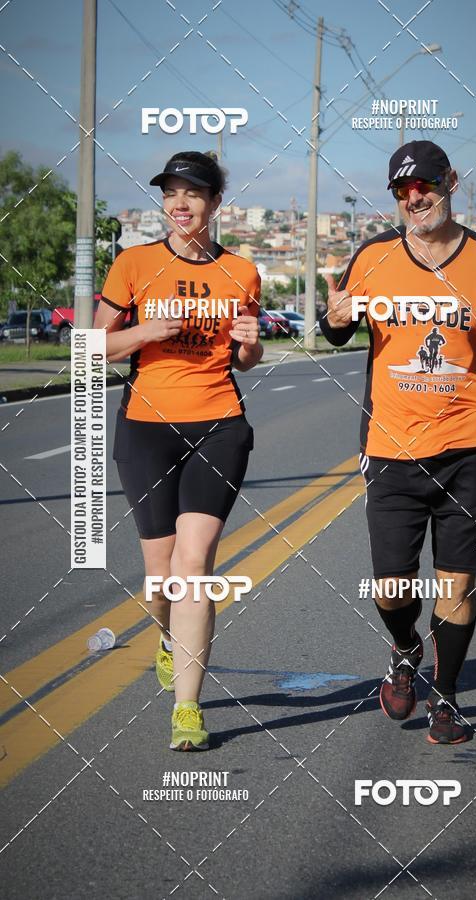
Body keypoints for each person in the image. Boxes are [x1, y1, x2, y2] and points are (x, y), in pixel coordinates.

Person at [320, 140, 476, 744]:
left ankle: (446, 697)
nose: (414, 197)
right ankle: (404, 649)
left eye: (423, 185)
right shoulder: (370, 258)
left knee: (457, 583)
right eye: (402, 190)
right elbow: (339, 330)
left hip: (470, 446)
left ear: (450, 181)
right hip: (392, 447)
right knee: (392, 589)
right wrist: (334, 318)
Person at [94, 151, 263, 750]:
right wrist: (145, 332)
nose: (181, 202)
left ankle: (187, 710)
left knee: (196, 568)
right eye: (172, 193)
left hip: (219, 423)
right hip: (146, 427)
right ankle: (168, 639)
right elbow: (91, 347)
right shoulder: (134, 263)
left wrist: (250, 345)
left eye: (194, 193)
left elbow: (244, 356)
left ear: (216, 204)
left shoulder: (242, 272)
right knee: (160, 578)